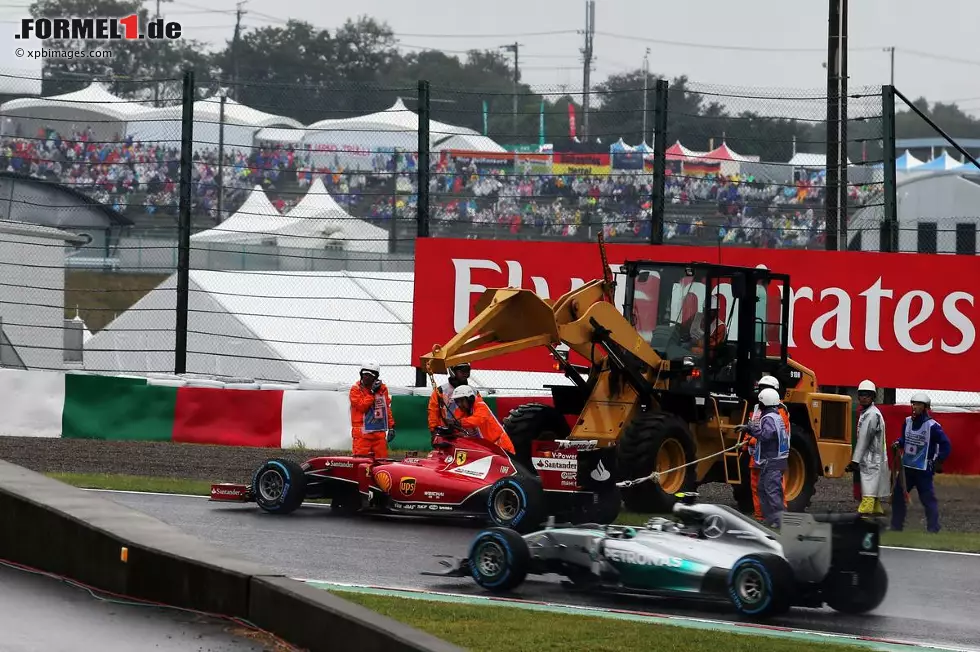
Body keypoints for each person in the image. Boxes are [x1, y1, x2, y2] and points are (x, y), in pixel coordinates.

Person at [890, 392, 951, 533]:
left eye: (918, 404)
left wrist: (939, 460)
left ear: (925, 407)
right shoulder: (907, 422)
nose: (914, 407)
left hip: (923, 471)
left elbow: (946, 444)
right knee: (898, 496)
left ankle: (933, 528)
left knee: (928, 500)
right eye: (913, 404)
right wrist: (898, 443)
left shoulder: (933, 426)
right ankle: (896, 526)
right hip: (907, 469)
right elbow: (905, 439)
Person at [743, 387, 790, 528]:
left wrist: (751, 429)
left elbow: (765, 435)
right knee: (763, 489)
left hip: (771, 462)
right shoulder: (776, 416)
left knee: (772, 491)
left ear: (765, 402)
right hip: (773, 461)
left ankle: (780, 522)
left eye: (760, 401)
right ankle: (770, 520)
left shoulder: (769, 418)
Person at [845, 380, 889, 515]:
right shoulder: (869, 412)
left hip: (871, 459)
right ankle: (876, 509)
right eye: (861, 395)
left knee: (869, 486)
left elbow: (864, 439)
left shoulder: (870, 415)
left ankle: (865, 512)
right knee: (873, 484)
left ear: (873, 397)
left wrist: (855, 461)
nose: (864, 397)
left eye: (867, 395)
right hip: (873, 457)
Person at [450, 384, 516, 455]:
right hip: (486, 449)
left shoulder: (481, 405)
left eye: (461, 400)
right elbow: (455, 420)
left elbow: (477, 419)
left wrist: (458, 423)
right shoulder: (463, 410)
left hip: (501, 446)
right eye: (457, 402)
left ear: (470, 399)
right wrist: (450, 427)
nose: (459, 404)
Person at [349, 361, 395, 458]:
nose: (367, 377)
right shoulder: (355, 389)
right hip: (362, 435)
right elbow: (362, 407)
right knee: (361, 464)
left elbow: (386, 408)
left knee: (381, 463)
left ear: (376, 377)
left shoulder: (382, 389)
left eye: (371, 375)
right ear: (361, 374)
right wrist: (372, 392)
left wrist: (391, 427)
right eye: (365, 374)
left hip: (378, 433)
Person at [427, 362, 486, 434]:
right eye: (462, 371)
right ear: (452, 371)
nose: (465, 374)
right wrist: (433, 430)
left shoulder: (473, 391)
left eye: (467, 371)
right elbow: (433, 412)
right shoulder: (440, 391)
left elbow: (480, 414)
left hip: (467, 433)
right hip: (447, 432)